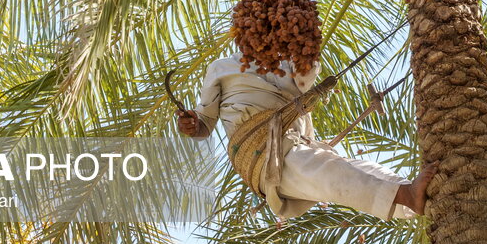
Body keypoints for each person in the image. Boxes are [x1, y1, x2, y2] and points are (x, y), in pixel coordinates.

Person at [176, 52, 433, 220]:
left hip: (295, 143)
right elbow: (204, 123)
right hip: (263, 155)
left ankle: (419, 200)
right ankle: (407, 195)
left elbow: (305, 78)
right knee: (331, 173)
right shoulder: (221, 68)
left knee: (354, 168)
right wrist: (191, 125)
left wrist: (307, 50)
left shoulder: (288, 62)